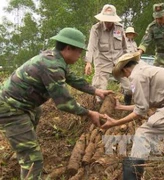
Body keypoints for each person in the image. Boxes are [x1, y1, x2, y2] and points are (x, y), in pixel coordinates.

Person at [0, 27, 112, 179]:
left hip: (23, 104)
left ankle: (21, 150)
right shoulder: (52, 66)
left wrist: (96, 91)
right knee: (33, 159)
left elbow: (72, 78)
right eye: (79, 52)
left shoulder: (55, 58)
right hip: (11, 108)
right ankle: (26, 158)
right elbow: (64, 103)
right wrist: (89, 113)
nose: (80, 56)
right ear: (68, 48)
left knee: (36, 114)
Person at [101, 52, 164, 179]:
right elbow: (145, 105)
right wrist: (121, 107)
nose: (126, 77)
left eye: (124, 75)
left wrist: (115, 122)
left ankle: (132, 177)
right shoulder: (147, 70)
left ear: (125, 69)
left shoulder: (136, 76)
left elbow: (140, 111)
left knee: (143, 133)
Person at [84, 4, 133, 105]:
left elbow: (125, 47)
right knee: (100, 90)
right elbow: (91, 46)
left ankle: (127, 106)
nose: (107, 22)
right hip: (102, 62)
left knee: (130, 87)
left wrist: (128, 63)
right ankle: (99, 110)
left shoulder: (120, 28)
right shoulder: (96, 29)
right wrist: (88, 62)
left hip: (118, 61)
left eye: (110, 20)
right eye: (105, 19)